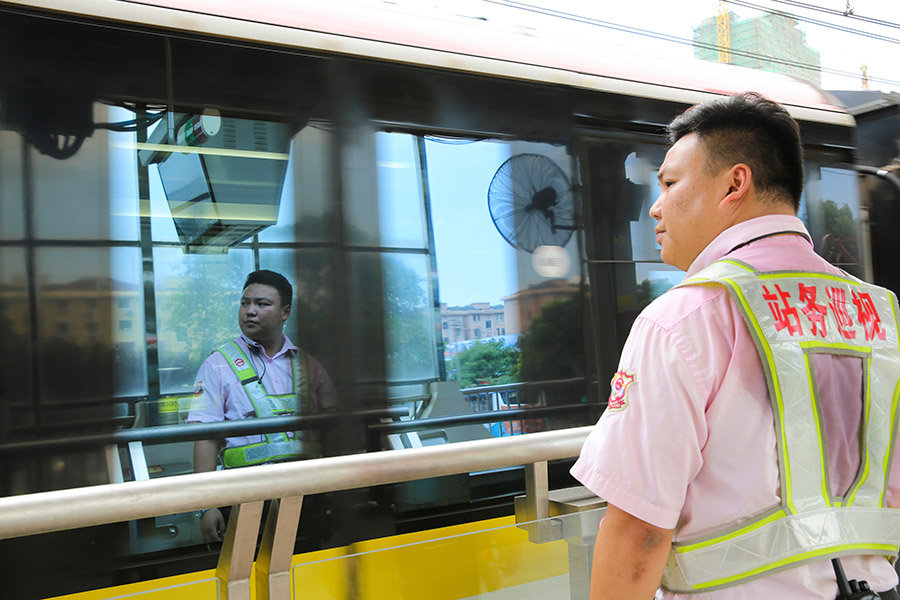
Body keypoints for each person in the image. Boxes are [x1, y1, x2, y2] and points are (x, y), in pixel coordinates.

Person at [571, 92, 900, 599]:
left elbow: (640, 529)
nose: (655, 208)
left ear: (735, 183)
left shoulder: (683, 318)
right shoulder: (880, 313)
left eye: (670, 183)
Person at [187, 269, 337, 542]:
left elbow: (334, 428)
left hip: (308, 495)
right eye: (245, 303)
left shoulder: (309, 365)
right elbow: (204, 436)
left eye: (262, 304)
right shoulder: (217, 365)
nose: (250, 311)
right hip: (244, 498)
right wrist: (206, 505)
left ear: (285, 312)